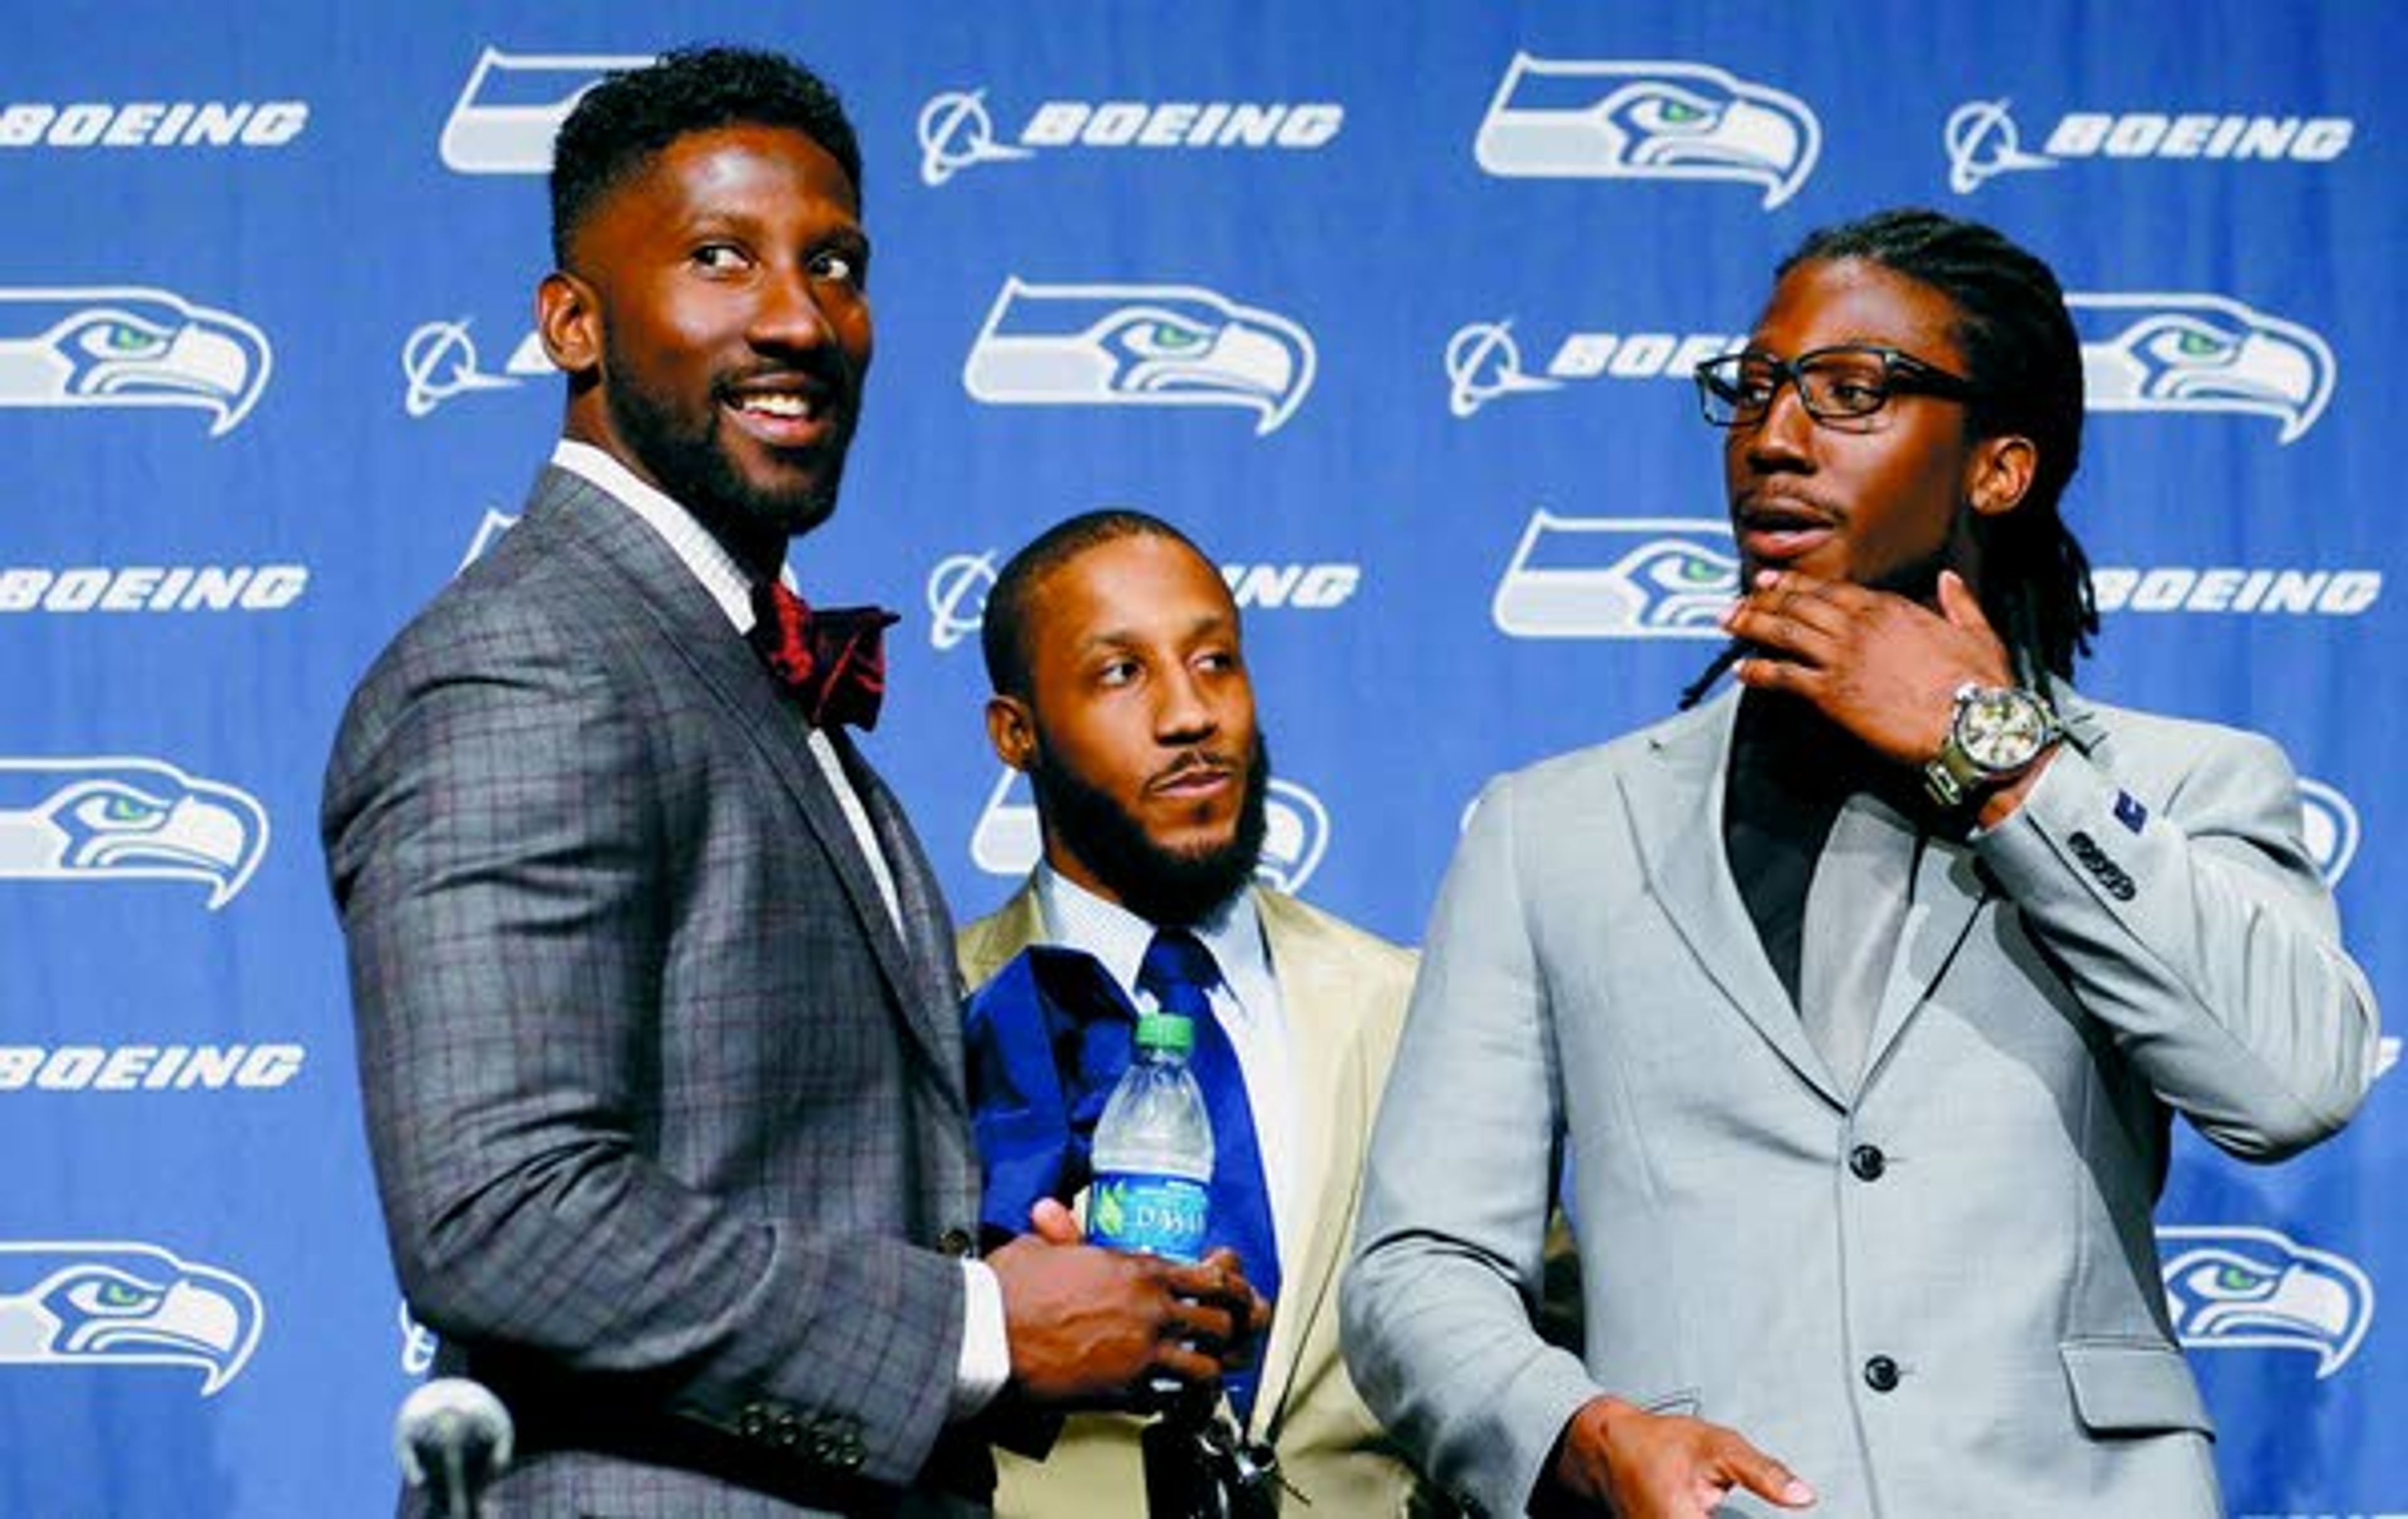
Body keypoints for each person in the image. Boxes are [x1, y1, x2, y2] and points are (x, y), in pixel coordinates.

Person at [323, 49, 1256, 1516]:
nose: (797, 318)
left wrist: (1016, 1279)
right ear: (572, 321)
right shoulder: (524, 660)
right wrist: (977, 1330)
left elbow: (788, 1174)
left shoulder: (745, 666)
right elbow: (500, 1218)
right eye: (718, 260)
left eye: (836, 266)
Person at [1342, 208, 2380, 1519]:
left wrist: (1998, 756)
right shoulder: (1548, 831)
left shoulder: (2178, 785)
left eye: (1852, 393)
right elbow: (1415, 1264)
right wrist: (1584, 1432)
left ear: (1998, 470)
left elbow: (2291, 1080)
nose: (1776, 438)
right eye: (1757, 388)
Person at [957, 510, 1426, 1515]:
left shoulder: (1414, 1006)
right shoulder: (931, 1016)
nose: (1190, 715)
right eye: (1121, 673)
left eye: (1216, 661)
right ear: (1016, 732)